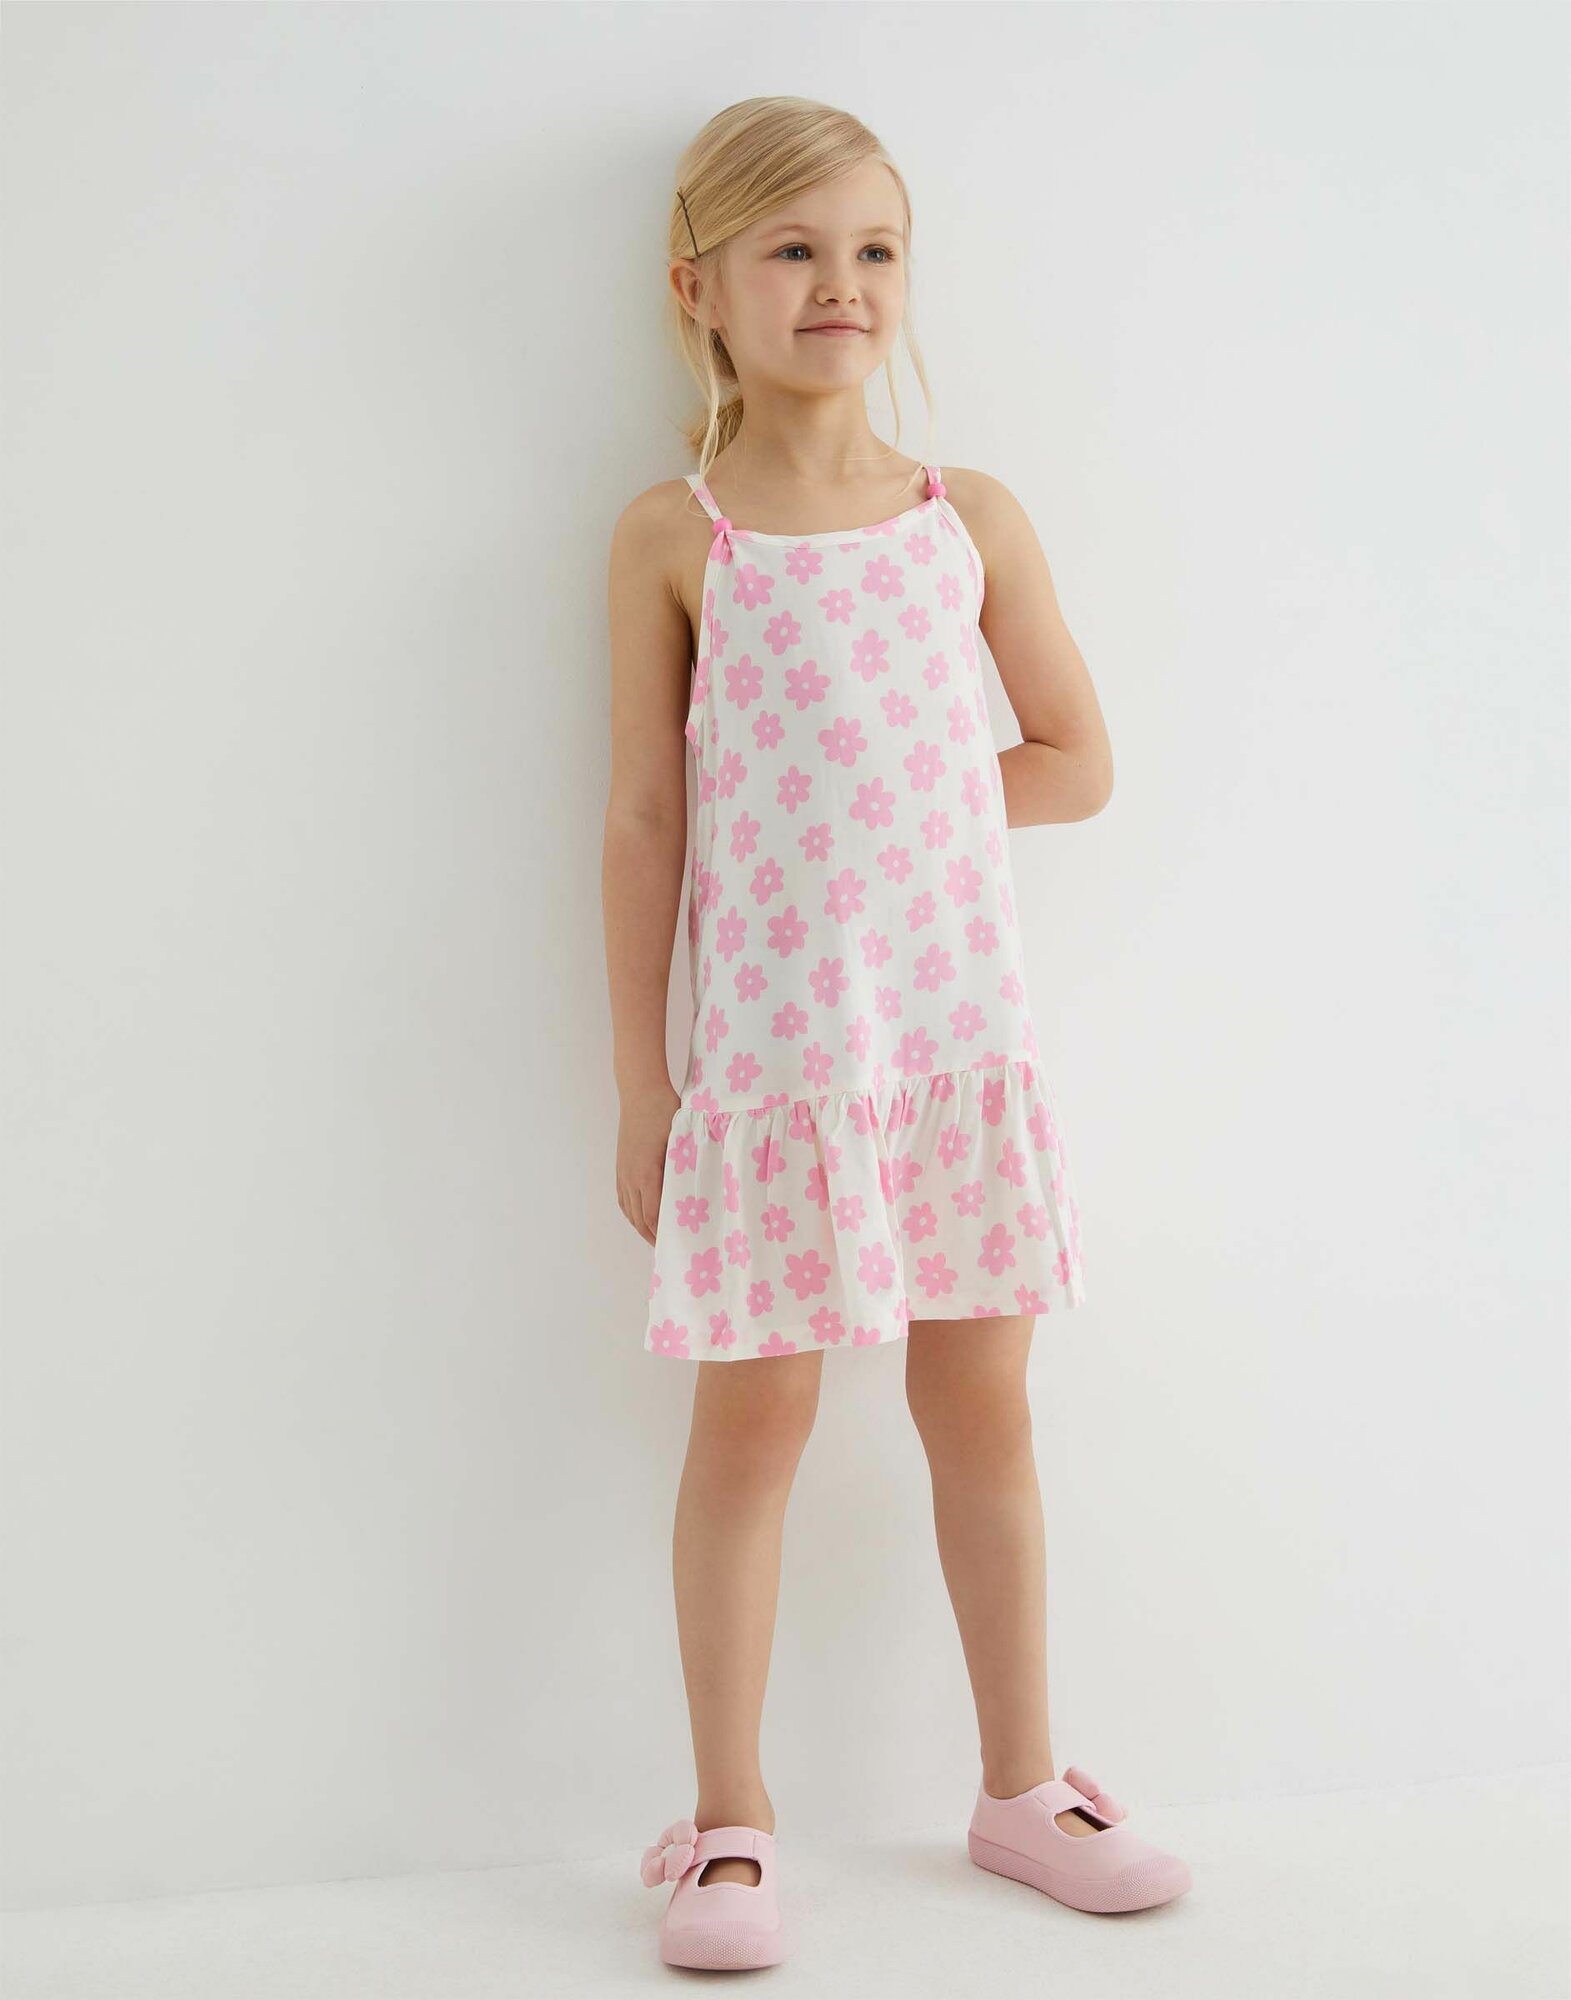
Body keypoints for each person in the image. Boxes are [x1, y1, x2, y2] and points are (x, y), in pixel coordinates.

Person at [601, 96, 1192, 1971]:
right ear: (700, 290)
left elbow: (1076, 760)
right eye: (791, 250)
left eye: (872, 249)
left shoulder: (967, 520)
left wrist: (914, 812)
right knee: (754, 1423)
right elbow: (646, 819)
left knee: (980, 1407)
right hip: (779, 1071)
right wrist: (643, 1084)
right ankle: (728, 1824)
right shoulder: (677, 537)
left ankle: (1024, 1786)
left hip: (949, 1051)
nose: (839, 284)